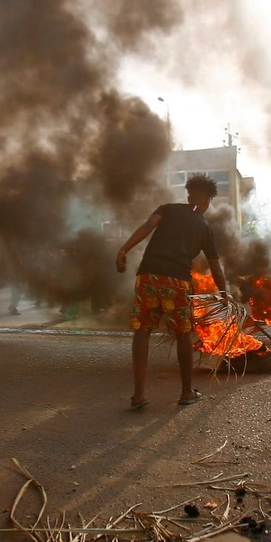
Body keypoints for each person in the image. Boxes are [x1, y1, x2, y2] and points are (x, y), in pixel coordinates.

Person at [116, 173, 227, 410]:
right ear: (208, 200)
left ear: (189, 196)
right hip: (176, 282)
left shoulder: (166, 209)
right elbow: (216, 268)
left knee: (142, 331)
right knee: (183, 334)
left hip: (148, 276)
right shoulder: (204, 228)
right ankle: (187, 392)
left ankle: (139, 395)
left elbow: (147, 227)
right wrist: (225, 294)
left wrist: (124, 249)